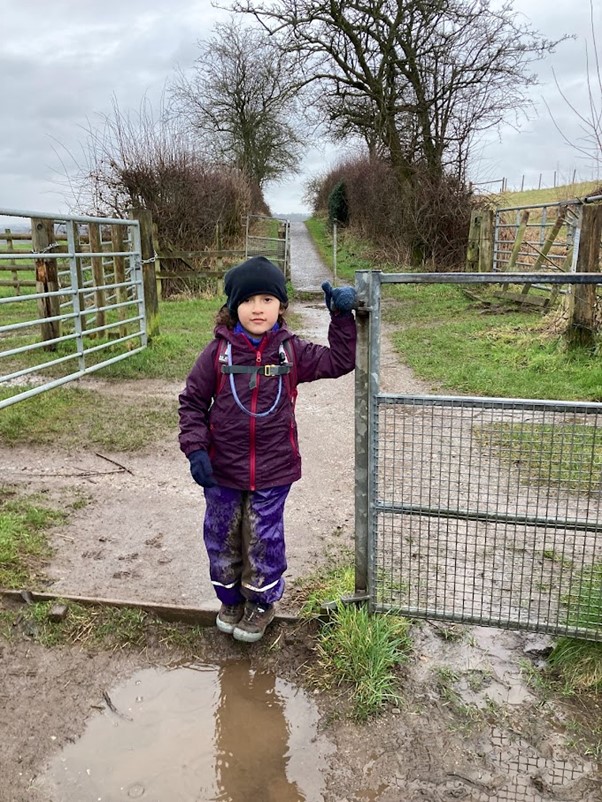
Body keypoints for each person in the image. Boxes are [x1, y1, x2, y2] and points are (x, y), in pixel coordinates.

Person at [178, 255, 356, 643]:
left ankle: (261, 604)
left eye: (267, 299)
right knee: (222, 534)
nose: (257, 309)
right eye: (247, 301)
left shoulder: (291, 353)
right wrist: (196, 450)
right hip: (221, 470)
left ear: (281, 305)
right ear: (232, 307)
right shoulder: (216, 354)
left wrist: (341, 317)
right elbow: (191, 402)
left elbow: (341, 361)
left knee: (263, 537)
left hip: (274, 471)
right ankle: (230, 600)